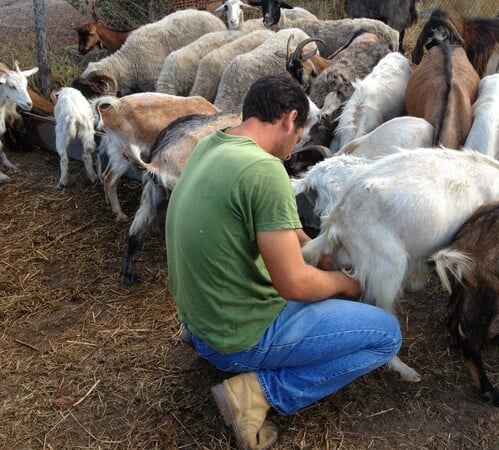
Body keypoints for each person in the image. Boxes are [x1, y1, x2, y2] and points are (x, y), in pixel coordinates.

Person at [165, 75, 402, 450]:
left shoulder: (213, 144)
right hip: (236, 339)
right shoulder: (265, 170)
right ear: (290, 119)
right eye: (299, 134)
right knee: (386, 335)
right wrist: (345, 283)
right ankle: (257, 394)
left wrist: (316, 246)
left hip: (200, 321)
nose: (295, 147)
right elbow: (295, 285)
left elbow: (278, 226)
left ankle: (204, 337)